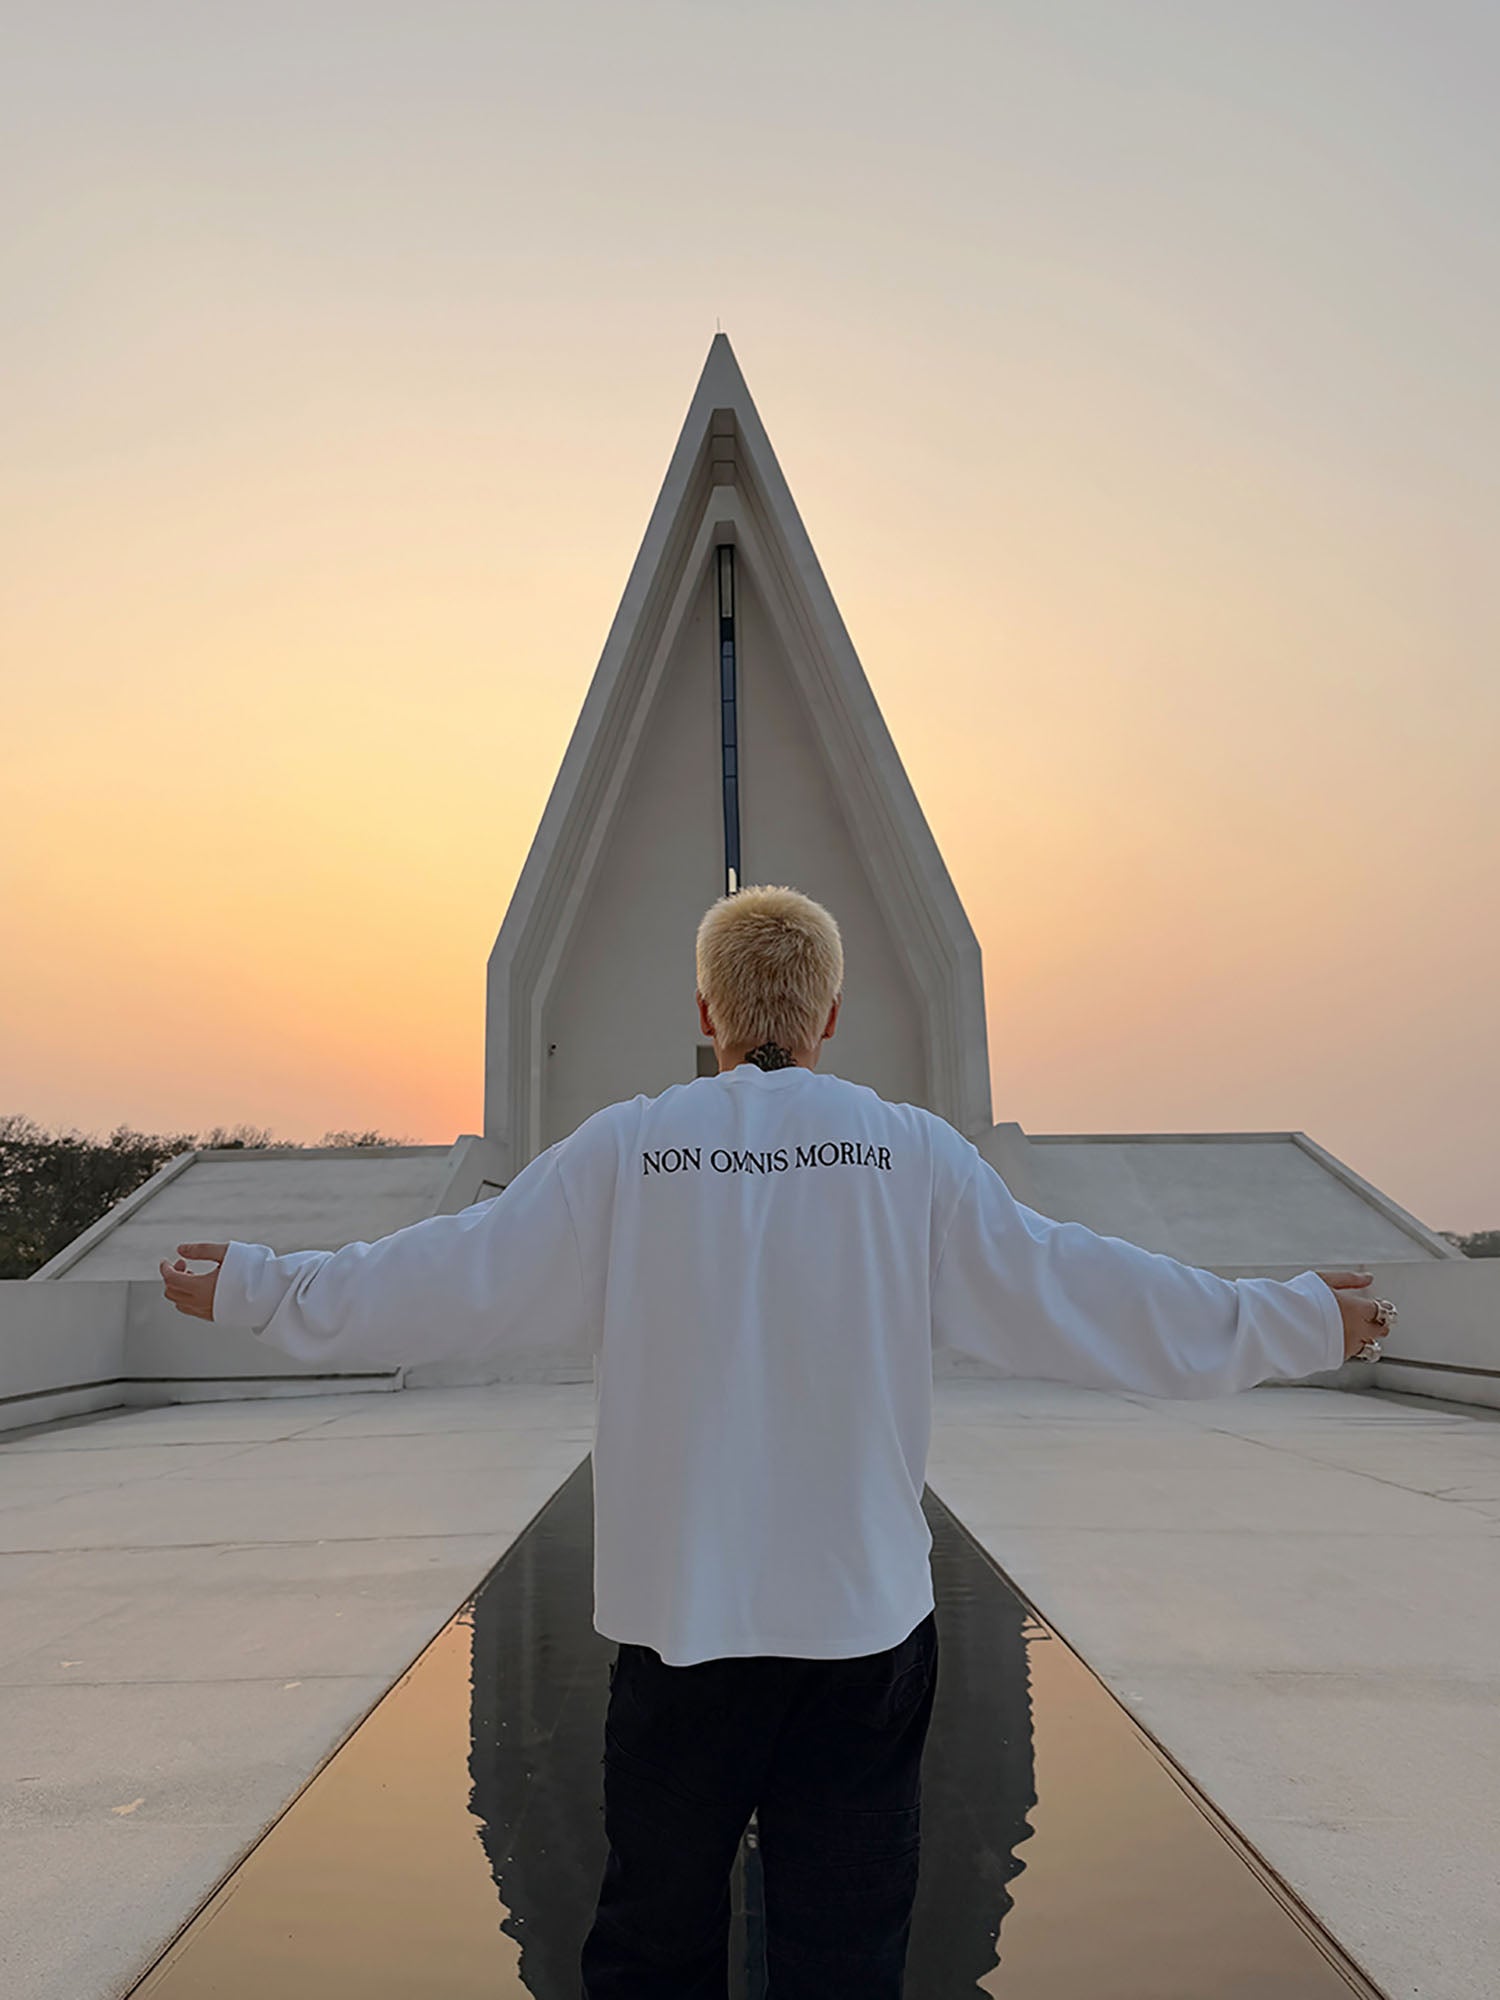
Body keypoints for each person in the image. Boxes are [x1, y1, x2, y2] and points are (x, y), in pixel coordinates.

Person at [160, 884, 1391, 1998]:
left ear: (707, 1008)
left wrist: (265, 1283)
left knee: (653, 1948)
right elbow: (1083, 1289)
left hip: (680, 1632)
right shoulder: (907, 1153)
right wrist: (1291, 1314)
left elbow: (446, 1276)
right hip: (859, 1634)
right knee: (843, 1956)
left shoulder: (630, 1147)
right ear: (832, 1013)